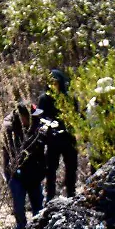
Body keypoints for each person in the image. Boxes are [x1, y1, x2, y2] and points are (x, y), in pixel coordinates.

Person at [2, 103, 47, 229]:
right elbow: (16, 150)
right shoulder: (10, 128)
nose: (29, 120)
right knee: (19, 208)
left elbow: (42, 146)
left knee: (38, 209)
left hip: (34, 173)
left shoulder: (37, 122)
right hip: (16, 175)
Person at [37, 69, 78, 201]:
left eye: (56, 82)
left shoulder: (70, 98)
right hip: (52, 140)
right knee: (50, 169)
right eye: (51, 82)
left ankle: (71, 193)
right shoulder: (44, 99)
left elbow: (77, 117)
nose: (54, 85)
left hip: (68, 138)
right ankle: (50, 196)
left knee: (71, 167)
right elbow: (38, 116)